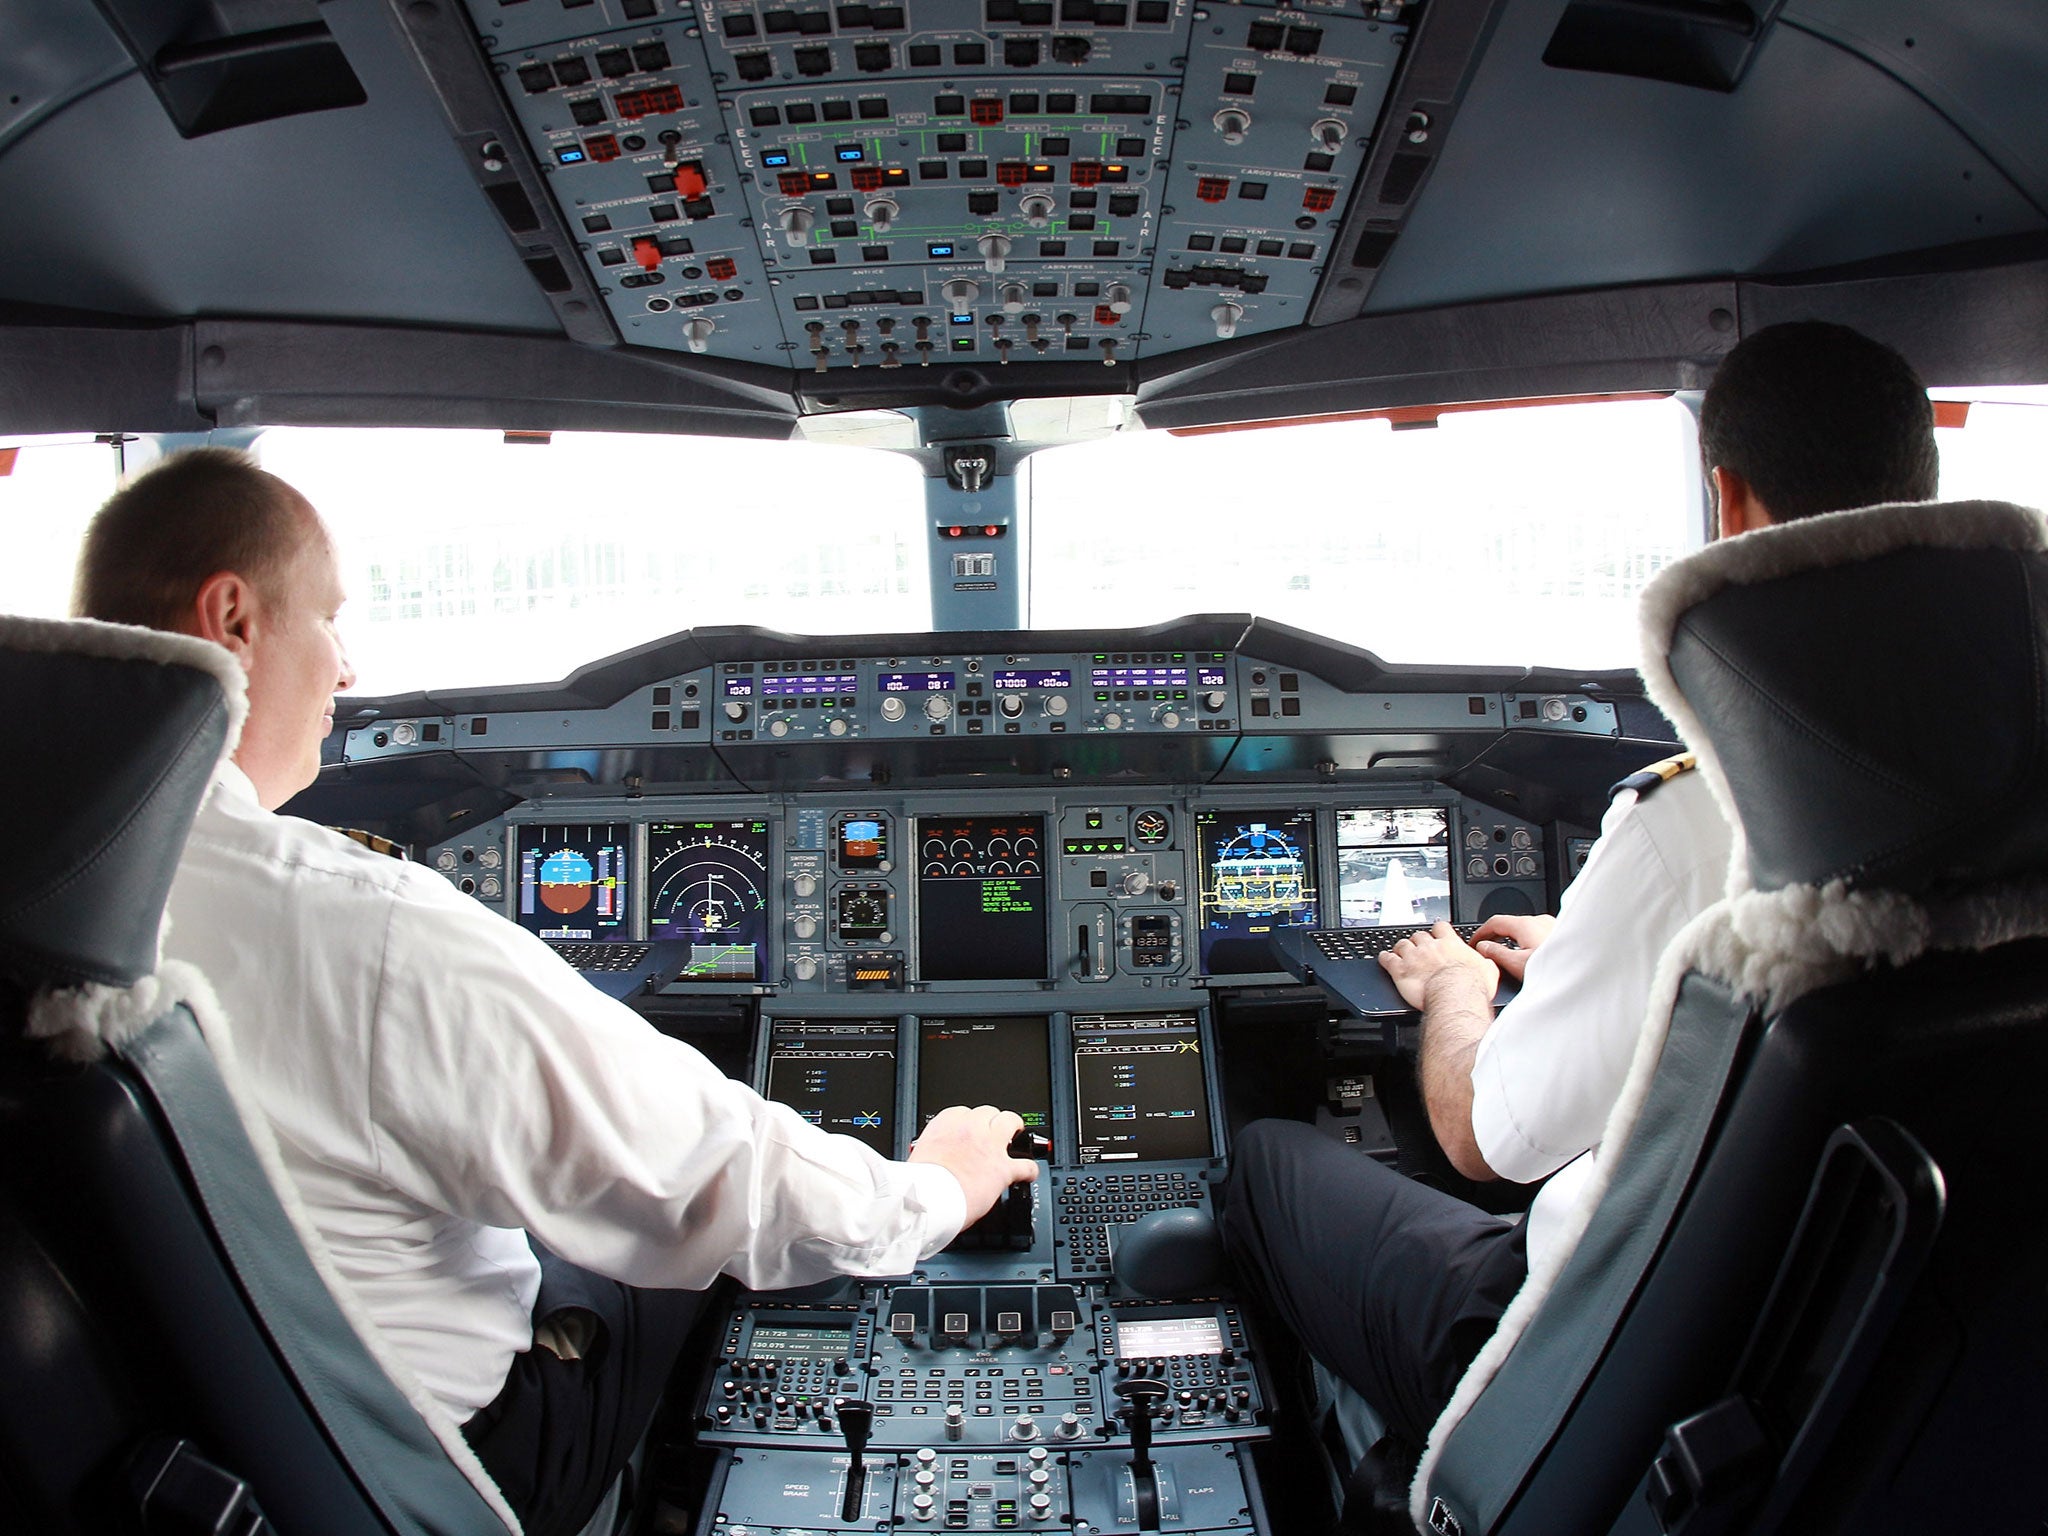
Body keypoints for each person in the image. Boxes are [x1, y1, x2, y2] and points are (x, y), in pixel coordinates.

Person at [71, 447, 1039, 1536]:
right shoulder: (359, 924)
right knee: (666, 1246)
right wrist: (938, 1193)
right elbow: (720, 1180)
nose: (345, 669)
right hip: (423, 1464)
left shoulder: (41, 884)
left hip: (179, 1451)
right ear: (234, 618)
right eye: (330, 618)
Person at [1219, 320, 1942, 1458]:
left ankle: (1349, 1470)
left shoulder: (1689, 816)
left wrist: (1456, 987)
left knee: (1262, 1159)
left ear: (1728, 497)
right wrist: (1583, 950)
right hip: (1865, 1345)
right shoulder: (1999, 790)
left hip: (1585, 1351)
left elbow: (1482, 1143)